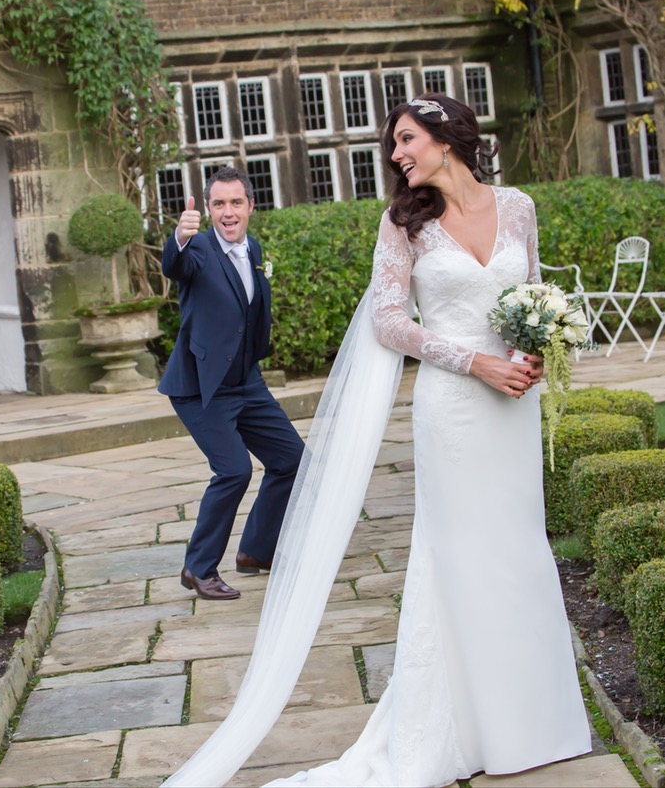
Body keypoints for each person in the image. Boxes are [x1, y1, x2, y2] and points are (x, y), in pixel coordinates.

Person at [162, 95, 591, 786]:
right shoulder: (403, 223)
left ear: (447, 140)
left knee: (518, 551)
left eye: (405, 139)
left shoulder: (518, 207)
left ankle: (532, 725)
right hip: (453, 407)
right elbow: (390, 323)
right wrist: (472, 360)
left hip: (513, 405)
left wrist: (532, 350)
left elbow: (530, 295)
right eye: (394, 143)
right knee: (457, 560)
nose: (396, 154)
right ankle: (452, 728)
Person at [158, 167, 305, 602]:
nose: (227, 212)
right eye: (218, 204)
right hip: (201, 386)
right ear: (207, 209)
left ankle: (255, 552)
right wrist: (179, 239)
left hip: (246, 382)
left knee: (292, 459)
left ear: (250, 206)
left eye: (235, 202)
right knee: (234, 470)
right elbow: (176, 265)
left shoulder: (253, 248)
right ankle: (198, 568)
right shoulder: (199, 247)